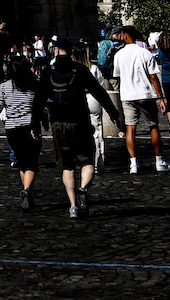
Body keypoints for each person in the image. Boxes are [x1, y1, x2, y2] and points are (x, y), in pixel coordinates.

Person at [46, 41, 125, 219]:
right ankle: (83, 189)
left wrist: (37, 121)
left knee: (66, 166)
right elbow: (99, 91)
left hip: (58, 122)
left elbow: (40, 97)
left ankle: (73, 206)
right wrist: (113, 113)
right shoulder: (80, 70)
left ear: (57, 51)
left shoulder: (50, 72)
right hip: (79, 120)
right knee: (87, 161)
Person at [109, 26, 170, 174]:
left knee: (130, 128)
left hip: (127, 95)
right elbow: (153, 77)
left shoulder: (119, 55)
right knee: (153, 126)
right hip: (145, 94)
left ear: (125, 36)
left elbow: (118, 77)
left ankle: (133, 163)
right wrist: (161, 98)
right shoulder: (145, 53)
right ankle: (159, 160)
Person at [0, 54, 46, 210]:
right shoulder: (34, 85)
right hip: (30, 127)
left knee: (22, 163)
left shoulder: (4, 86)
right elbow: (41, 107)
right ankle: (27, 191)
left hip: (12, 129)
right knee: (32, 164)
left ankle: (27, 193)